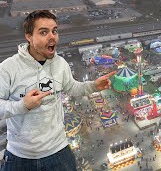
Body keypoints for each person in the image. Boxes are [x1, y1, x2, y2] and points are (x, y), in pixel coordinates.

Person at [0, 10, 113, 170]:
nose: (52, 36)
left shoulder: (60, 64)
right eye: (43, 32)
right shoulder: (8, 68)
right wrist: (22, 105)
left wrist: (94, 85)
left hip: (59, 151)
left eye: (54, 31)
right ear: (28, 36)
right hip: (20, 156)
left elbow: (73, 88)